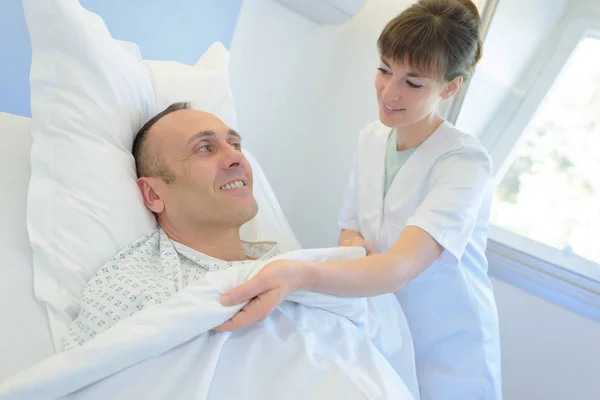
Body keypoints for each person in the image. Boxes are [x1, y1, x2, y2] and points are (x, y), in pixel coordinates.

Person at [215, 0, 502, 399]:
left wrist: (301, 274)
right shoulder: (371, 138)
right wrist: (352, 246)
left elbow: (401, 266)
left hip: (448, 347)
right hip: (384, 323)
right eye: (385, 69)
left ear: (451, 87)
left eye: (413, 82)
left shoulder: (464, 163)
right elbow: (352, 225)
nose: (389, 91)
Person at [62, 102, 281, 348]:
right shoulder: (132, 288)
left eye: (235, 144)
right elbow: (83, 379)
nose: (236, 157)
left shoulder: (290, 265)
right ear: (154, 194)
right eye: (205, 148)